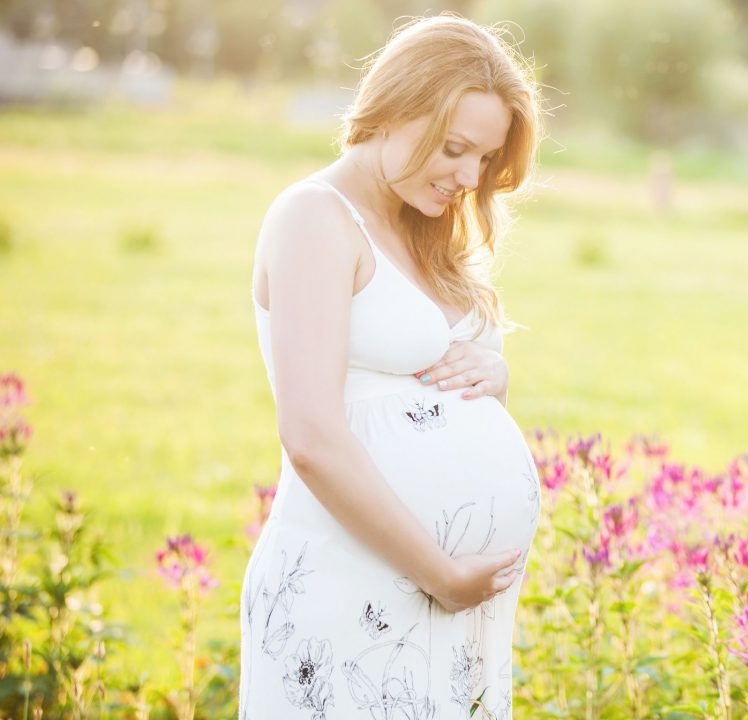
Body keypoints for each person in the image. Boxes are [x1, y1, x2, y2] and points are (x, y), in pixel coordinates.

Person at [240, 15, 543, 719]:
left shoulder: (424, 230)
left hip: (438, 606)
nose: (469, 177)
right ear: (395, 107)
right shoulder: (315, 217)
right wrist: (442, 574)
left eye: (485, 158)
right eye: (455, 148)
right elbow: (311, 436)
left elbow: (423, 388)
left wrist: (493, 381)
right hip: (351, 588)